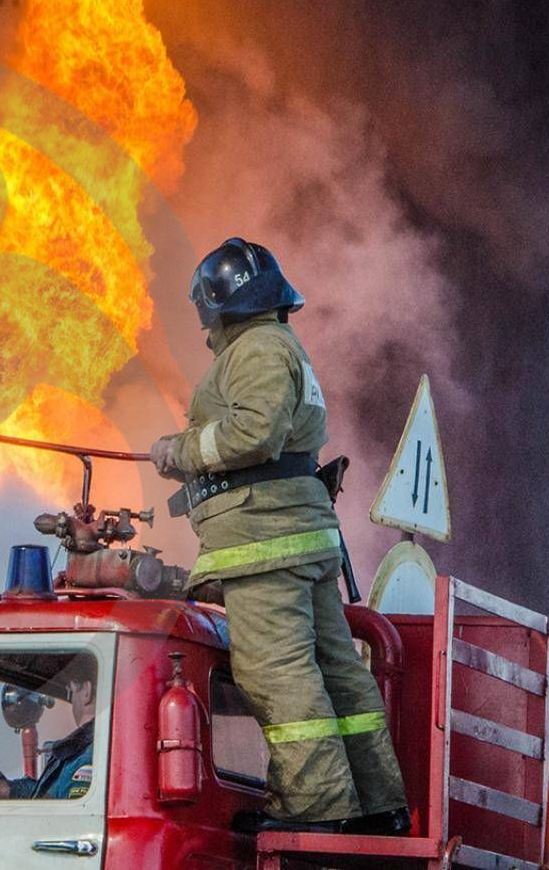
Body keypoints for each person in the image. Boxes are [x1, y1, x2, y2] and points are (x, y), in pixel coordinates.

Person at [148, 238, 408, 835]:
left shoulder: (258, 348)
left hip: (266, 544)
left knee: (277, 673)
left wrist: (178, 450)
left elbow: (254, 433)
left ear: (221, 304)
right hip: (295, 538)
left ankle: (318, 809)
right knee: (334, 670)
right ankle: (374, 805)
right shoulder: (278, 343)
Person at [0, 666, 94, 800]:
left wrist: (7, 790)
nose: (72, 701)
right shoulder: (79, 750)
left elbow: (66, 812)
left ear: (86, 691)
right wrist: (11, 789)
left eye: (71, 692)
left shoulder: (88, 756)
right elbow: (52, 796)